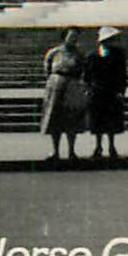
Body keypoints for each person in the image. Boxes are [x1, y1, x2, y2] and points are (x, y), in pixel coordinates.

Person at [39, 29, 89, 162]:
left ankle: (71, 151)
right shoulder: (54, 52)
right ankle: (55, 151)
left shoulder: (79, 54)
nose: (73, 39)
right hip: (56, 85)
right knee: (55, 118)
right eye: (71, 36)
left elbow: (85, 70)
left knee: (71, 118)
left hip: (72, 84)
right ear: (64, 37)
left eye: (75, 37)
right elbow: (47, 69)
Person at [84, 26, 128, 160]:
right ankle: (98, 146)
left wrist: (121, 90)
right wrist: (88, 89)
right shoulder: (92, 55)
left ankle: (111, 146)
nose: (110, 42)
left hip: (112, 90)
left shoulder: (119, 54)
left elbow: (122, 74)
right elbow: (87, 74)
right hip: (97, 90)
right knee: (97, 120)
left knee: (112, 120)